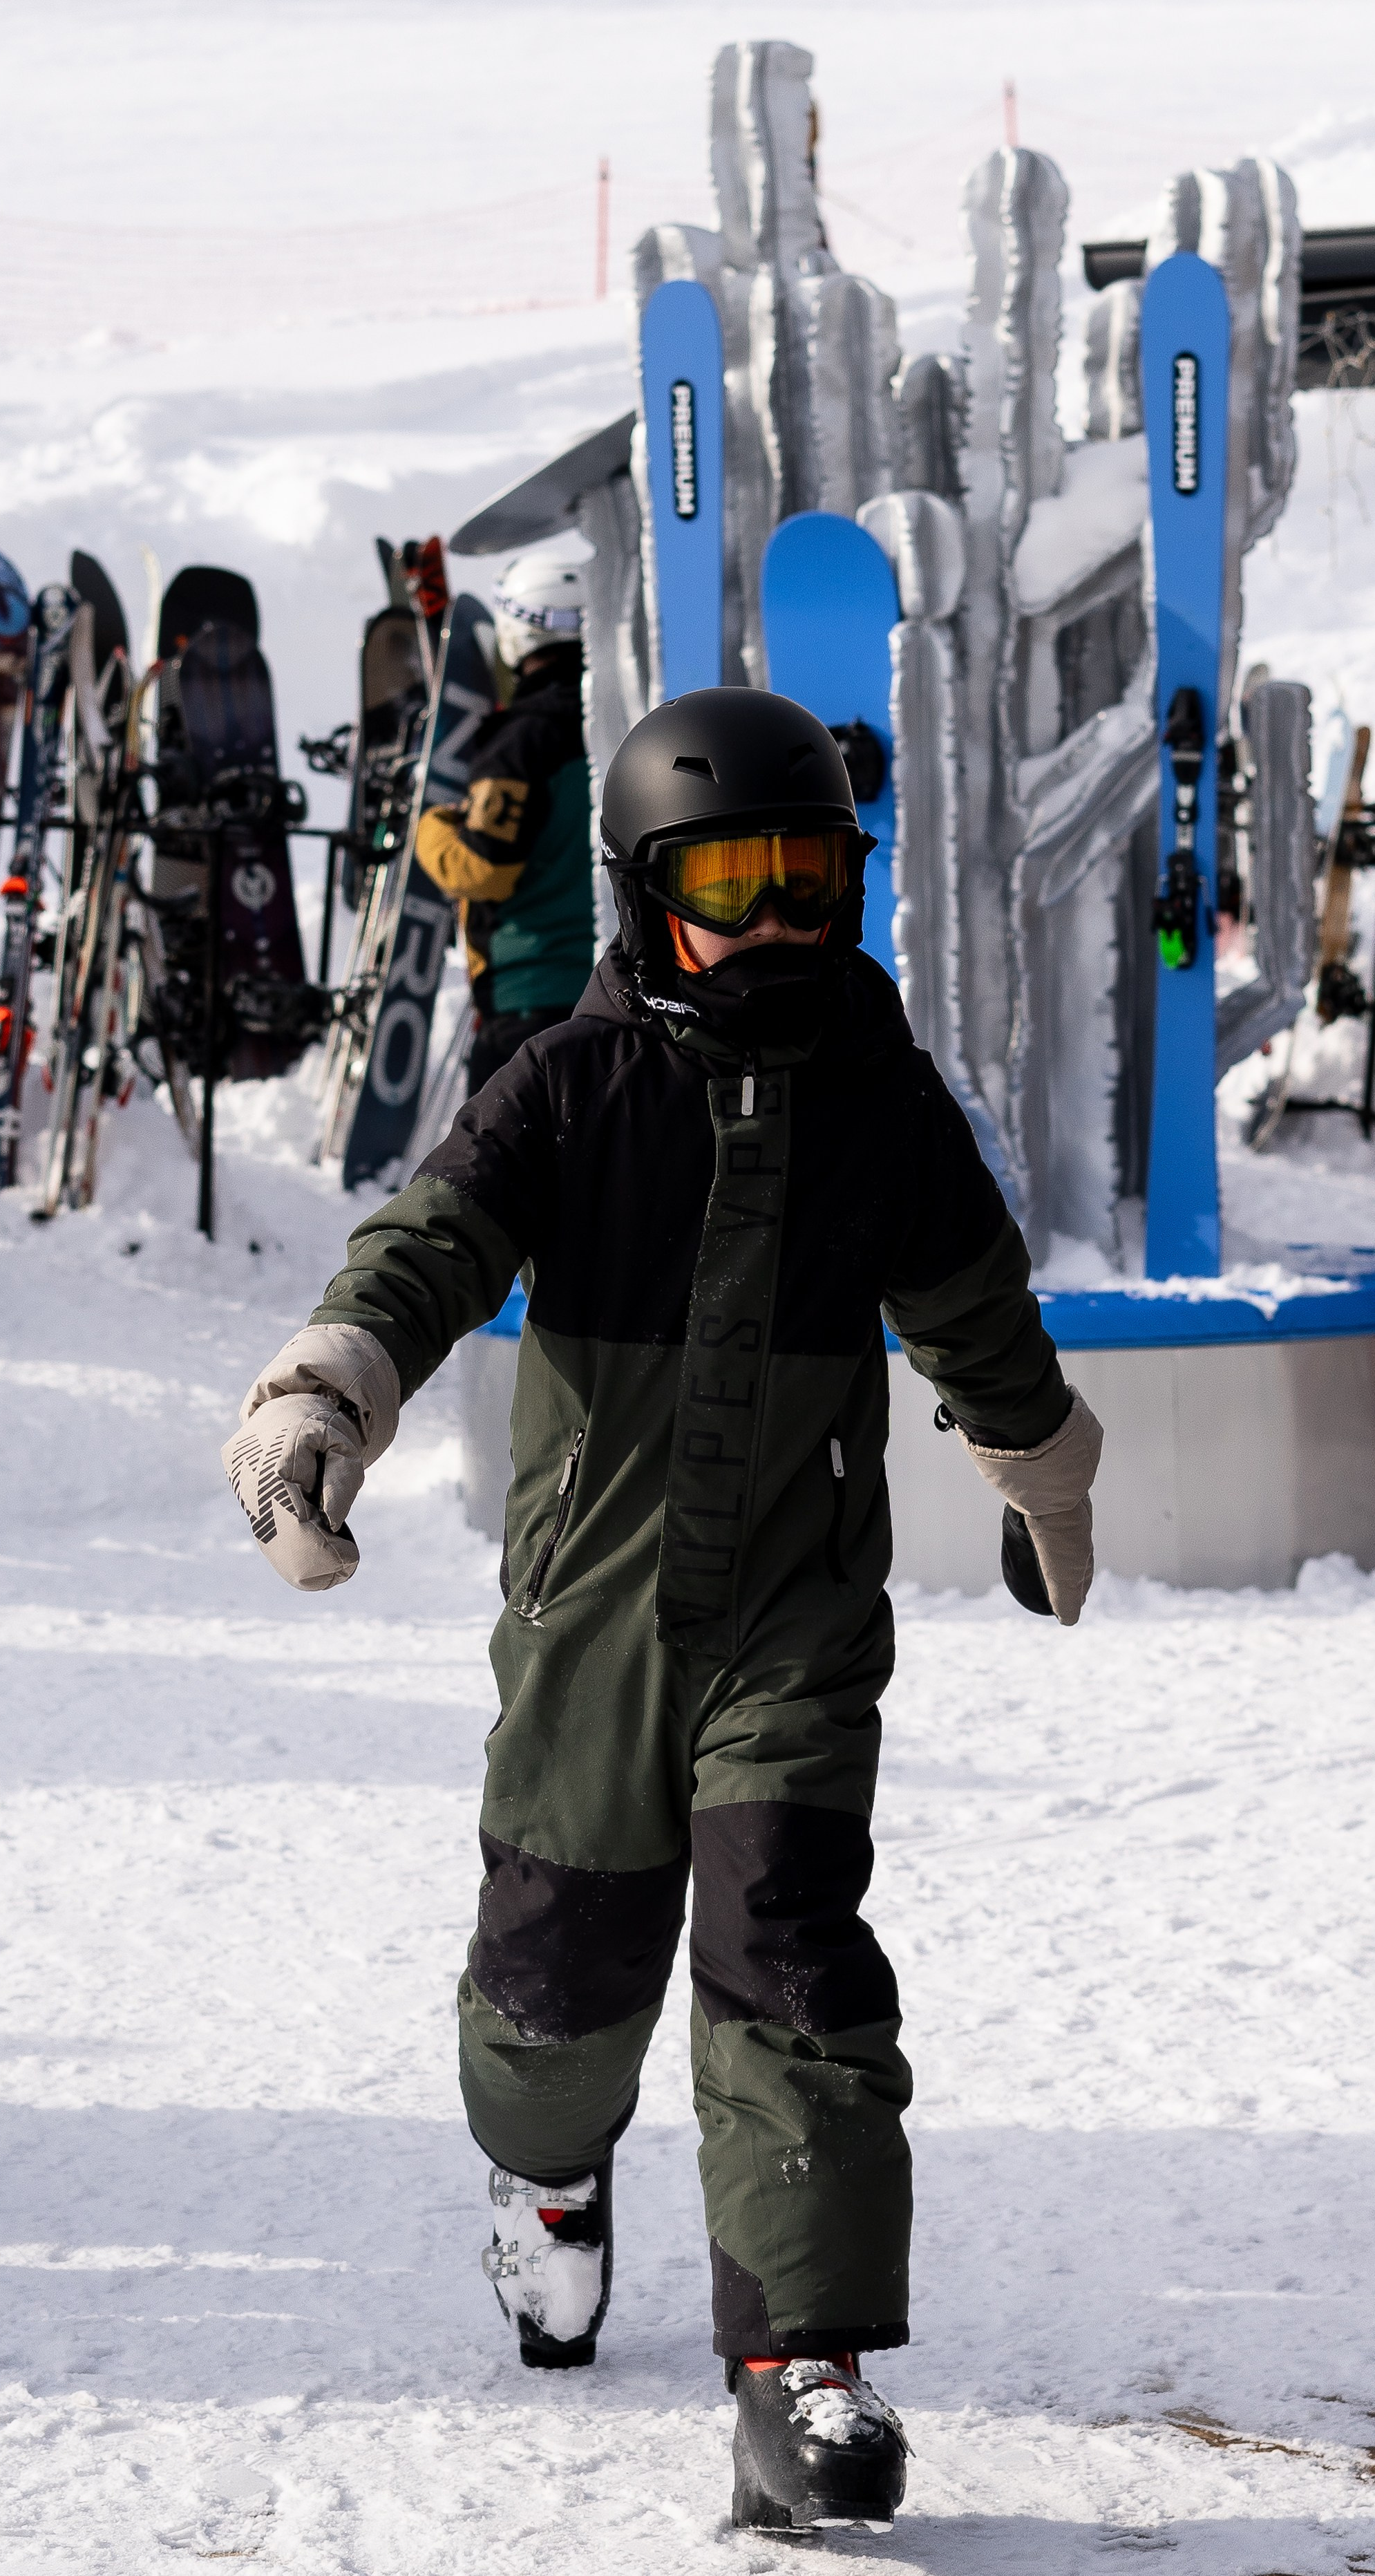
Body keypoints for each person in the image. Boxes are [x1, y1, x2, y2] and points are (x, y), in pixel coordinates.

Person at [224, 688, 1104, 2537]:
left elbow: (976, 1320)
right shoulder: (571, 1081)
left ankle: (801, 2367)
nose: (780, 920)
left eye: (813, 882)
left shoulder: (882, 1104)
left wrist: (1042, 1472)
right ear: (645, 891)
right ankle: (544, 2182)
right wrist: (324, 1390)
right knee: (553, 1991)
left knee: (787, 1953)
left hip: (792, 1618)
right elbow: (425, 1245)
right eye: (732, 879)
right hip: (587, 1626)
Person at [413, 552, 596, 1093]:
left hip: (528, 1001)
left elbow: (480, 868)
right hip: (613, 991)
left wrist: (432, 825)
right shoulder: (619, 720)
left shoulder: (520, 742)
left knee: (500, 1174)